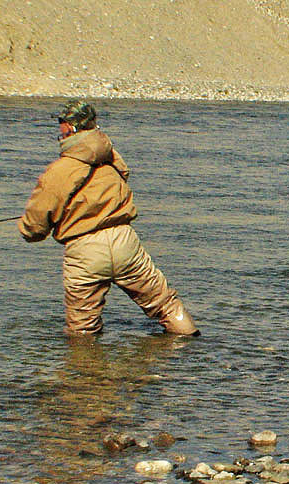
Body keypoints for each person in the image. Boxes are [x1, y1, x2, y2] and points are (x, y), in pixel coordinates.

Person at [19, 100, 199, 337]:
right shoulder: (113, 157)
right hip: (126, 243)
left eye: (61, 126)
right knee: (165, 304)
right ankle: (191, 353)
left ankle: (88, 371)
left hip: (84, 251)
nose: (59, 131)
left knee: (82, 329)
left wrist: (38, 226)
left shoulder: (60, 170)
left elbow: (34, 228)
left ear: (70, 129)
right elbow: (122, 177)